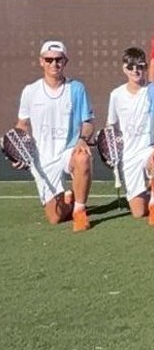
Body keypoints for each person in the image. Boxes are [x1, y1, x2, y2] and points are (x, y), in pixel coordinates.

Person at [14, 41, 94, 231]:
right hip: (43, 157)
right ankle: (69, 197)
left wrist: (82, 140)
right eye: (49, 59)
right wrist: (19, 152)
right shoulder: (30, 91)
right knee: (55, 218)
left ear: (65, 61)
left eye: (58, 59)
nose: (54, 64)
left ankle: (80, 212)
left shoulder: (77, 89)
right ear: (41, 61)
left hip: (69, 150)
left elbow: (89, 123)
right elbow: (22, 125)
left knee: (83, 157)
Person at [108, 47, 154, 225]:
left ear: (145, 67)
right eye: (131, 66)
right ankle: (148, 193)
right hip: (128, 155)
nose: (135, 70)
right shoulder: (116, 95)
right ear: (124, 68)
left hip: (148, 148)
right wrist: (110, 150)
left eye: (140, 66)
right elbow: (110, 125)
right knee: (137, 212)